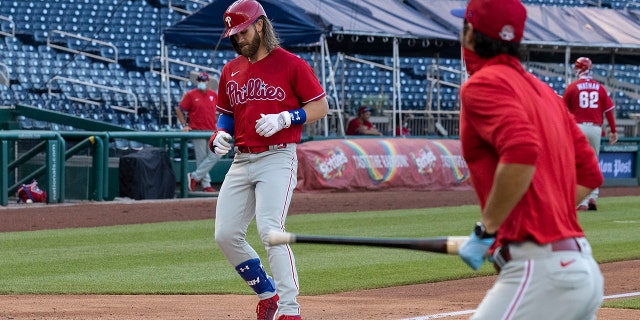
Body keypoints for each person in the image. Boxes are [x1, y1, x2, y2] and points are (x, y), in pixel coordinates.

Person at [451, 0, 604, 319]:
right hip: (579, 266)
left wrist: (487, 230)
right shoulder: (545, 92)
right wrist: (543, 213)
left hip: (541, 271)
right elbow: (589, 173)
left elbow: (521, 151)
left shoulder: (482, 84)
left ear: (469, 34)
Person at [209, 1, 329, 319]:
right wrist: (219, 135)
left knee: (270, 230)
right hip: (241, 159)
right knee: (225, 234)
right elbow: (226, 117)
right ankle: (268, 293)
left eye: (243, 31)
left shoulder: (291, 64)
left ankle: (290, 310)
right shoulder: (230, 70)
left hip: (277, 157)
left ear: (260, 25)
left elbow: (320, 107)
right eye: (233, 34)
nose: (238, 38)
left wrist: (287, 118)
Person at [563, 56, 618, 211]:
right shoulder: (599, 87)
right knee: (593, 162)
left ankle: (581, 201)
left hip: (577, 127)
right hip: (595, 128)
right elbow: (609, 111)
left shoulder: (572, 87)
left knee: (576, 163)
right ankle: (593, 196)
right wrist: (613, 130)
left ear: (579, 69)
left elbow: (562, 111)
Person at [175, 71, 219, 193]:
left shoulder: (213, 95)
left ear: (208, 82)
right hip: (197, 130)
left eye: (203, 80)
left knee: (216, 154)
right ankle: (206, 185)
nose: (201, 83)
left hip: (211, 130)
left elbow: (219, 110)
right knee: (201, 158)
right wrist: (184, 125)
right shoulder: (191, 94)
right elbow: (179, 109)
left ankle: (194, 176)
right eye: (200, 80)